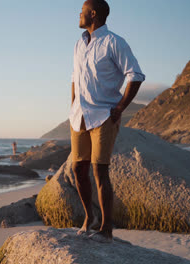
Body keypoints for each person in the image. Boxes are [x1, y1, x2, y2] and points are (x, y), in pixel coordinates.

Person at [70, 0, 145, 243]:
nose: (78, 15)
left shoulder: (115, 42)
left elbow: (135, 74)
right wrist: (72, 104)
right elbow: (74, 78)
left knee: (99, 170)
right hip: (78, 116)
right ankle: (89, 218)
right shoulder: (79, 44)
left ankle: (106, 228)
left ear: (93, 14)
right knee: (78, 169)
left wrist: (121, 107)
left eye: (82, 11)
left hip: (103, 115)